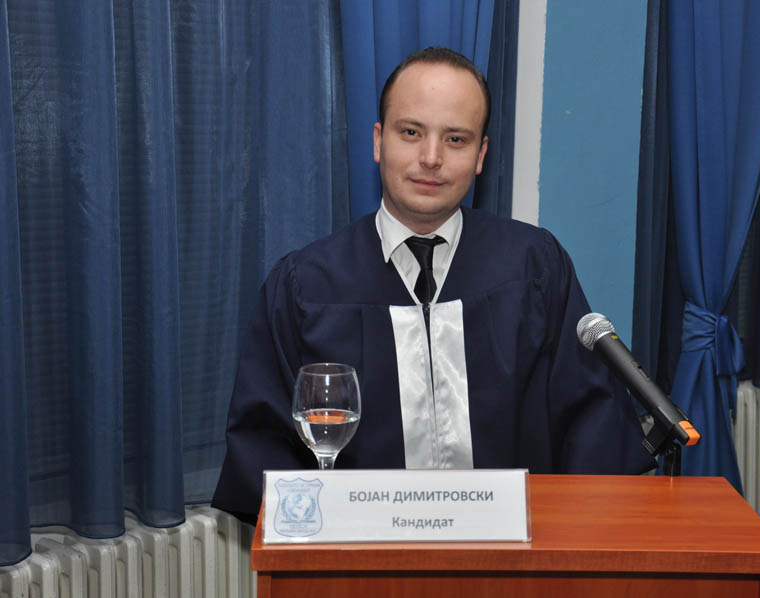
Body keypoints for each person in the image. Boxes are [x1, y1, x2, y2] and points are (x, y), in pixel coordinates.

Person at [211, 47, 655, 524]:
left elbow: (591, 427)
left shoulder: (534, 268)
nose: (430, 158)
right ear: (378, 142)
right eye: (411, 132)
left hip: (514, 553)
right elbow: (266, 452)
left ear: (481, 155)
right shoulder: (305, 287)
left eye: (456, 139)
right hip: (361, 556)